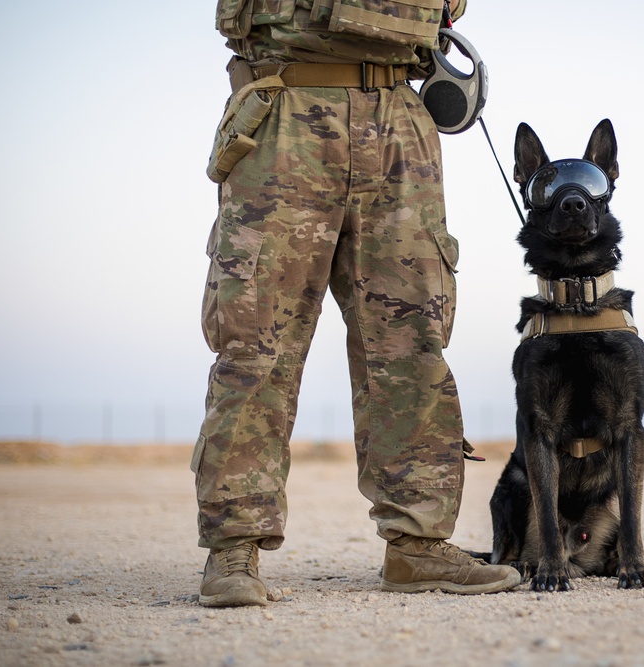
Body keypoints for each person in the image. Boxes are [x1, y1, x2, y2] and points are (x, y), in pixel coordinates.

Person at [192, 0, 521, 606]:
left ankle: (417, 546)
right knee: (257, 343)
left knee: (412, 344)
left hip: (399, 116)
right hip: (284, 109)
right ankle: (233, 547)